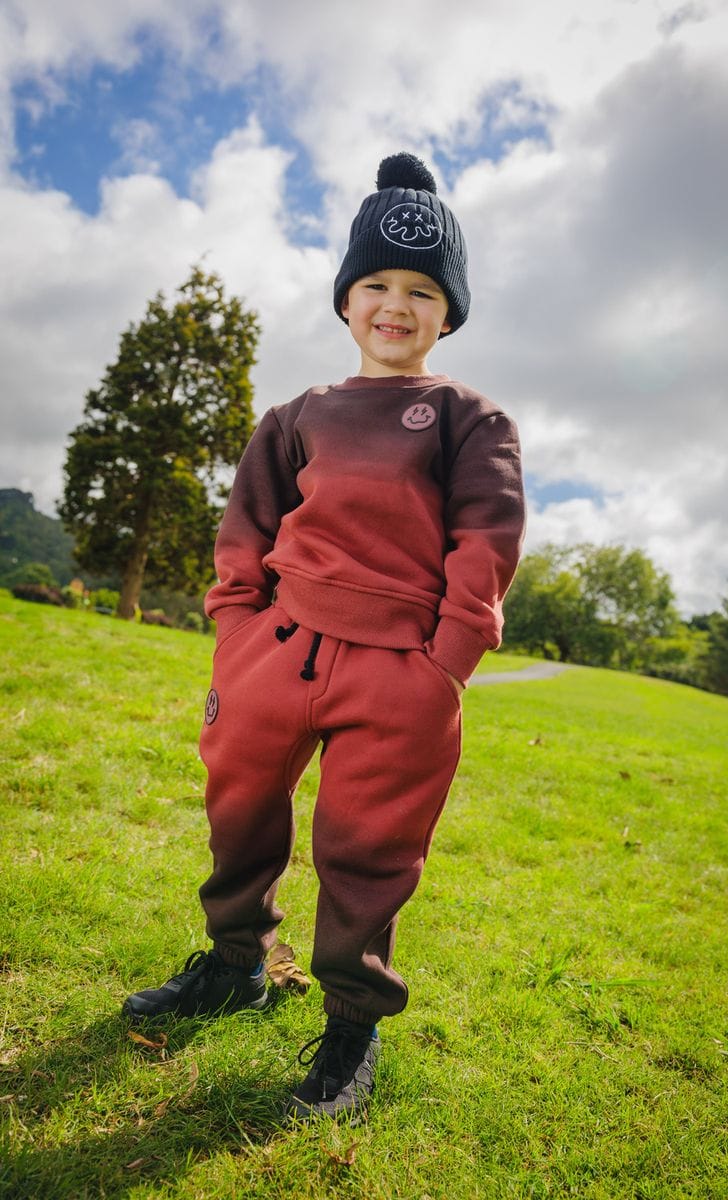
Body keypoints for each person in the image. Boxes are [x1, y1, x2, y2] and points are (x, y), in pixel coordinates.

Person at [123, 152, 526, 1122]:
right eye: (376, 284)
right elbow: (246, 534)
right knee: (238, 812)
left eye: (422, 291)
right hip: (276, 653)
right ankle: (235, 965)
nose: (396, 305)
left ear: (448, 314)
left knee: (368, 848)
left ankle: (350, 1025)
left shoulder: (470, 421)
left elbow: (485, 543)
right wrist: (237, 634)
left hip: (400, 675)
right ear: (346, 300)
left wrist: (443, 668)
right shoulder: (295, 418)